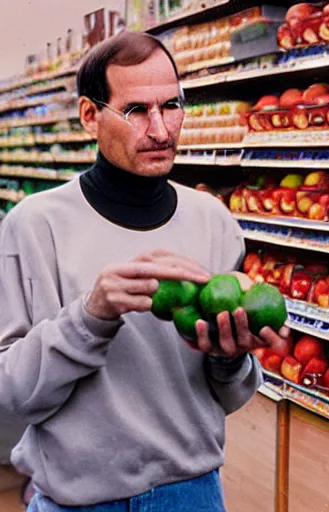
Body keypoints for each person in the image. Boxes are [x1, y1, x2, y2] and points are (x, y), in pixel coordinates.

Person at [0, 31, 288, 511]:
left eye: (171, 106)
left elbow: (231, 396)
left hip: (193, 496)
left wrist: (230, 356)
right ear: (90, 116)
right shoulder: (35, 225)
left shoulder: (212, 219)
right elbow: (8, 393)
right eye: (136, 110)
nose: (160, 129)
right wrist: (90, 317)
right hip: (78, 502)